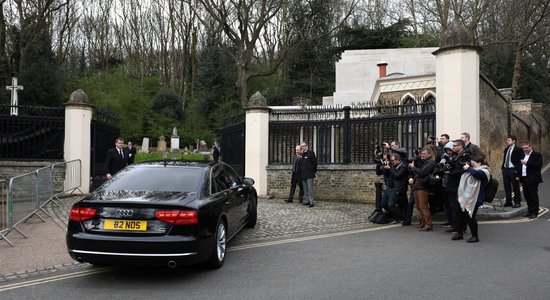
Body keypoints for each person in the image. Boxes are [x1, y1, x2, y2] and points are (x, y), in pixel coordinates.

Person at [454, 156, 491, 243]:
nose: (472, 164)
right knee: (459, 214)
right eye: (471, 162)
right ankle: (459, 233)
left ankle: (475, 236)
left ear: (480, 163)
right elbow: (460, 174)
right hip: (464, 197)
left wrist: (469, 168)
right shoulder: (471, 170)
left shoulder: (485, 171)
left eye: (473, 162)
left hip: (475, 197)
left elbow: (477, 174)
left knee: (470, 216)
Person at [444, 139, 471, 234]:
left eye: (455, 146)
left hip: (459, 184)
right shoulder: (455, 156)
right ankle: (455, 226)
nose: (453, 147)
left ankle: (461, 227)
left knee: (458, 207)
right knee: (453, 206)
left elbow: (462, 171)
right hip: (453, 184)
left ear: (460, 146)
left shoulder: (465, 156)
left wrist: (449, 172)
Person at [408, 146, 436, 231]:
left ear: (429, 154)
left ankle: (428, 224)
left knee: (423, 206)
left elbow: (422, 172)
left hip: (423, 186)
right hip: (417, 185)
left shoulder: (431, 162)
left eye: (424, 154)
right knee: (418, 206)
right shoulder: (423, 162)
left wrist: (413, 167)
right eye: (421, 154)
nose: (422, 155)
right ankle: (423, 222)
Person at [519, 142, 543, 219]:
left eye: (526, 148)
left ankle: (534, 212)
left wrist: (527, 163)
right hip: (524, 178)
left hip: (533, 178)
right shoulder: (522, 155)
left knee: (533, 195)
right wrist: (518, 175)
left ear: (530, 147)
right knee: (527, 196)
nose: (525, 149)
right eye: (523, 148)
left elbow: (538, 165)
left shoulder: (537, 155)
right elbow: (520, 167)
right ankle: (530, 211)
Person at [381, 154, 408, 223]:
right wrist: (385, 168)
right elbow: (386, 175)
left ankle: (401, 218)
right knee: (383, 204)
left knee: (391, 205)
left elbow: (397, 175)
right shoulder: (392, 166)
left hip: (396, 188)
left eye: (393, 160)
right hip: (389, 188)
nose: (392, 162)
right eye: (391, 161)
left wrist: (390, 168)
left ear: (398, 160)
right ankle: (396, 217)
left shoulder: (403, 167)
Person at [501, 135, 522, 207]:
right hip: (505, 170)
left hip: (513, 170)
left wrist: (518, 172)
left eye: (509, 140)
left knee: (515, 187)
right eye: (507, 140)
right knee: (507, 187)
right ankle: (508, 202)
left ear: (514, 141)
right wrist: (503, 168)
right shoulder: (506, 149)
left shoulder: (518, 149)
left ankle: (517, 202)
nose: (507, 141)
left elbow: (520, 162)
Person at [300, 142, 317, 208]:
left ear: (306, 146)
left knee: (310, 188)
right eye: (301, 147)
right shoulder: (302, 153)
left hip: (309, 174)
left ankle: (311, 201)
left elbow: (315, 163)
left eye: (303, 146)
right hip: (303, 174)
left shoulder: (311, 152)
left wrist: (314, 171)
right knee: (305, 188)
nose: (302, 148)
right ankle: (307, 200)